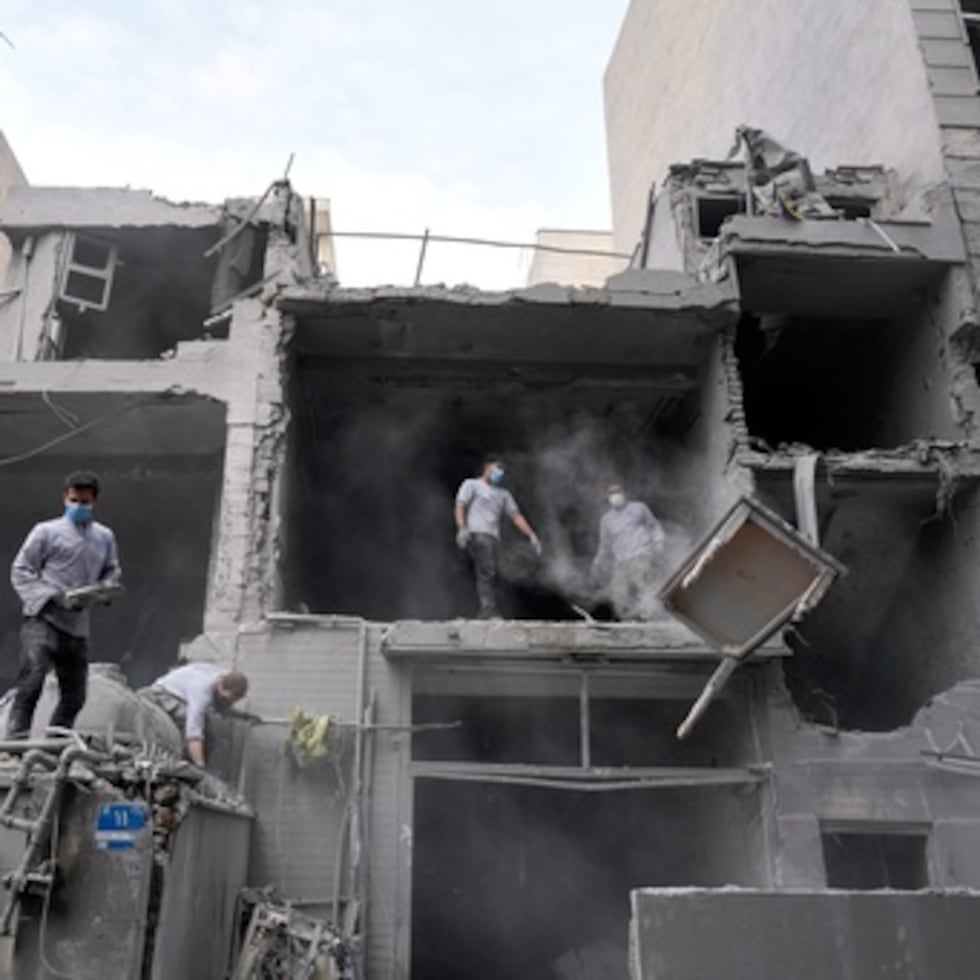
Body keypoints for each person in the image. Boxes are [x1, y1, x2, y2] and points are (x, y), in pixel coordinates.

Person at [7, 470, 122, 738]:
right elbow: (21, 570)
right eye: (74, 501)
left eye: (84, 502)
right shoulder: (46, 532)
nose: (78, 506)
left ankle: (55, 744)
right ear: (64, 498)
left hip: (77, 626)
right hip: (43, 619)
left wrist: (104, 590)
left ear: (95, 501)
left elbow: (112, 571)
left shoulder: (104, 537)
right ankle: (14, 742)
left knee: (75, 695)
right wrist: (52, 595)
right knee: (33, 679)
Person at [454, 456, 542, 619]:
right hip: (478, 533)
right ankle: (488, 610)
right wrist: (461, 528)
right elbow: (460, 505)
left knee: (492, 572)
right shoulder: (472, 485)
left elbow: (516, 516)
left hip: (494, 537)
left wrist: (531, 535)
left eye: (502, 470)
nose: (500, 473)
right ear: (487, 467)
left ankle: (487, 609)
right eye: (497, 468)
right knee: (487, 570)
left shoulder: (503, 494)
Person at [141, 662, 249, 767]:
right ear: (220, 686)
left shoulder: (227, 677)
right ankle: (191, 765)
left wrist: (244, 716)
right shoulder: (201, 693)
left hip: (182, 693)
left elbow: (222, 706)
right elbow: (194, 734)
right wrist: (200, 767)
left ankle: (196, 762)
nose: (227, 702)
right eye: (225, 698)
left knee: (208, 734)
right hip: (161, 695)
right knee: (191, 723)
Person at [590, 483, 665, 621]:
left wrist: (659, 541)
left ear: (624, 494)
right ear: (608, 498)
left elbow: (653, 526)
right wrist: (598, 561)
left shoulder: (639, 508)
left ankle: (652, 619)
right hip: (621, 562)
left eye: (617, 493)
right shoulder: (606, 520)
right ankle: (627, 622)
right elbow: (605, 545)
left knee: (644, 587)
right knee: (618, 594)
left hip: (640, 555)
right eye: (612, 494)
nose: (615, 496)